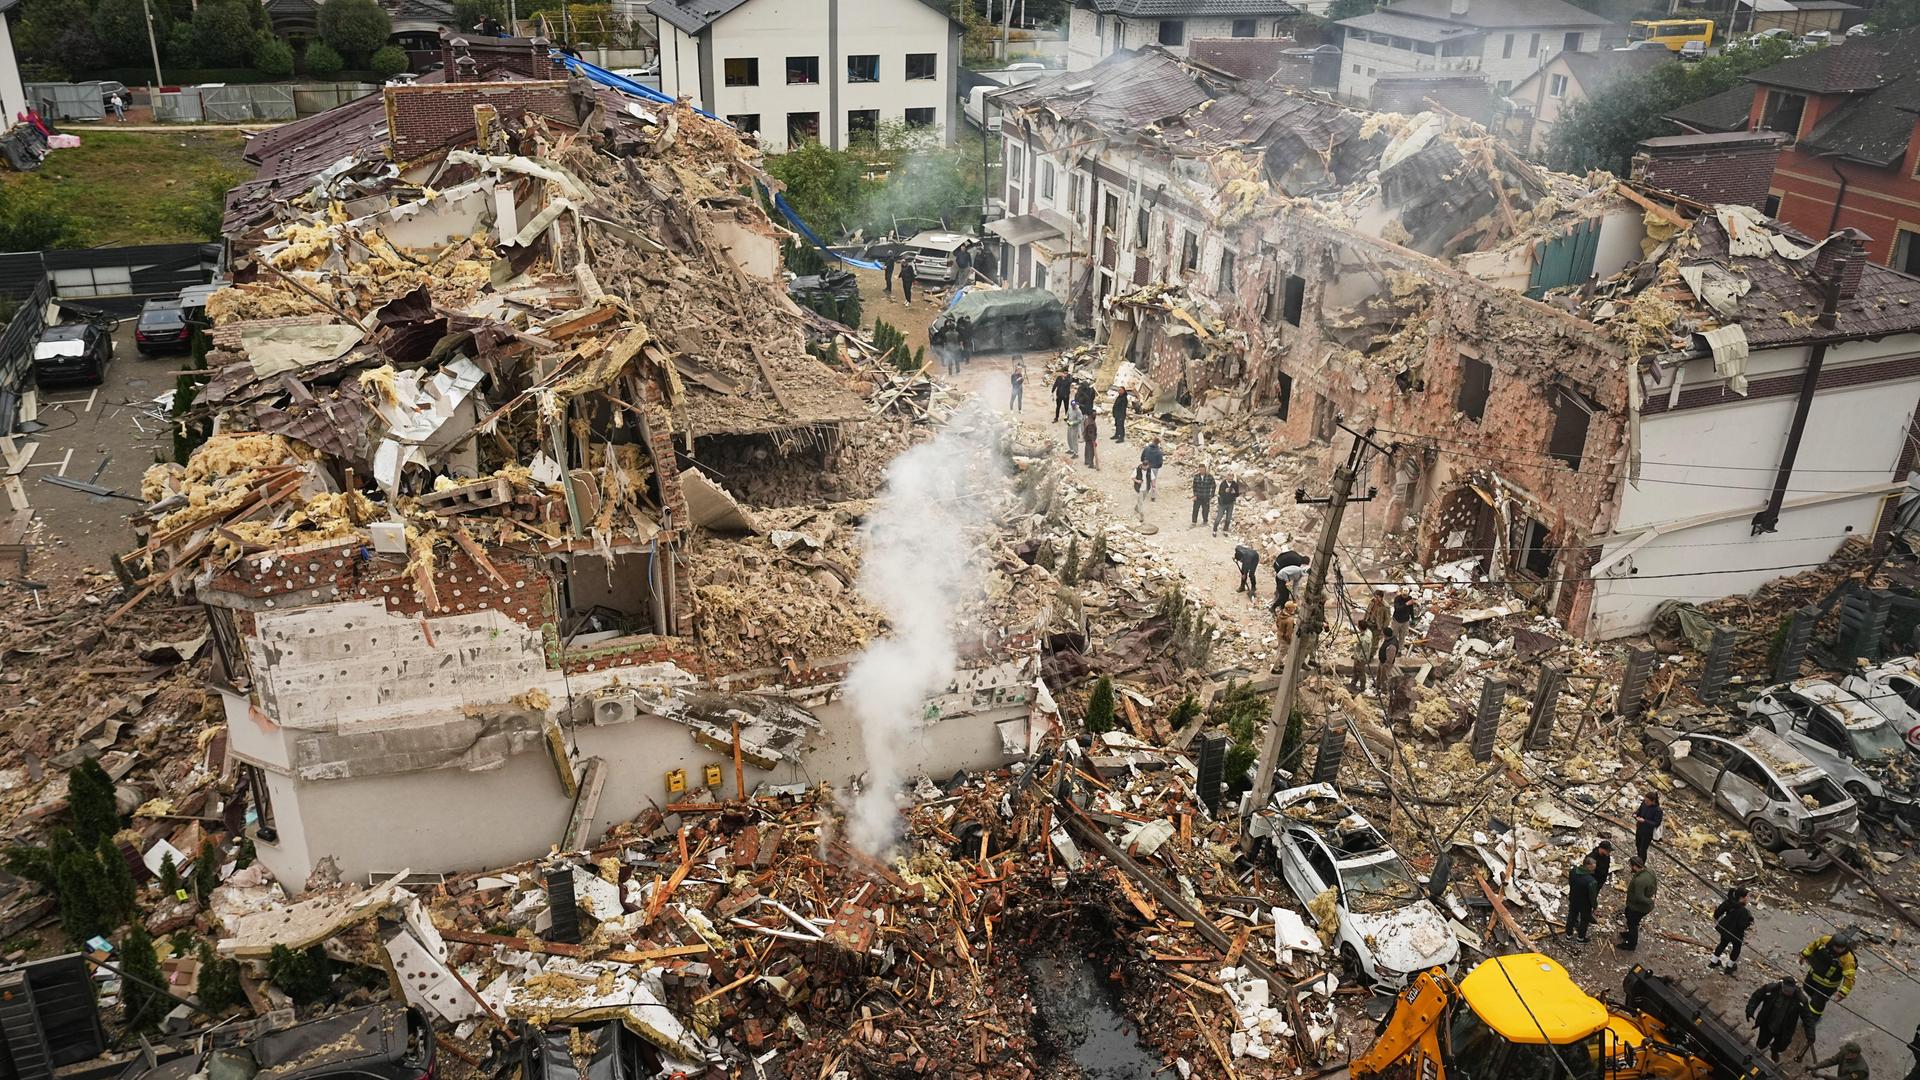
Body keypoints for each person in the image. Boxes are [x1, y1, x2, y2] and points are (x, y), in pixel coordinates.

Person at [1800, 928, 1858, 1031]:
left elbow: (1849, 977)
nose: (1839, 950)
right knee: (1807, 988)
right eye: (1837, 947)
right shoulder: (1825, 940)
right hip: (1814, 975)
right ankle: (1817, 1001)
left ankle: (1813, 1018)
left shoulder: (1848, 959)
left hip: (1828, 985)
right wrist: (1804, 955)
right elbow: (1813, 946)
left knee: (1817, 1003)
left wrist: (1843, 992)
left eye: (1842, 948)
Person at [1746, 979, 1809, 1063]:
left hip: (1784, 1029)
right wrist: (1750, 1009)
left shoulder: (1801, 1000)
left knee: (1781, 1045)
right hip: (1768, 1024)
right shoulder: (1771, 989)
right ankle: (1758, 1051)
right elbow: (1756, 996)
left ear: (1794, 989)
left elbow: (1807, 1017)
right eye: (1785, 990)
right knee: (1762, 1042)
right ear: (1782, 986)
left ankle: (1774, 1051)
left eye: (1789, 991)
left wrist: (1810, 1035)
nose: (1787, 992)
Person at [1710, 887, 1753, 974]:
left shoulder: (1729, 902)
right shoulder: (1744, 911)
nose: (1749, 899)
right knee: (1736, 948)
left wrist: (1718, 919)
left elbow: (1717, 913)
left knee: (1722, 944)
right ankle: (1730, 967)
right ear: (1742, 898)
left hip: (1725, 929)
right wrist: (1749, 923)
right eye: (1748, 896)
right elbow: (1741, 926)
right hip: (1736, 933)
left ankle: (1713, 962)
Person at [1620, 855, 1655, 951]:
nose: (1631, 868)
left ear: (1635, 866)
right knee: (1630, 917)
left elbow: (1639, 897)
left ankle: (1631, 945)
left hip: (1638, 907)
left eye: (1631, 866)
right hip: (1640, 906)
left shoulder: (1639, 881)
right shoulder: (1650, 871)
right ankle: (1629, 935)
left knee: (1632, 924)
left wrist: (1649, 901)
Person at [1566, 856, 1599, 942]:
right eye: (1592, 869)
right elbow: (1592, 897)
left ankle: (1568, 935)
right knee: (1584, 920)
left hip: (1573, 898)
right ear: (1587, 866)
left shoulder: (1573, 871)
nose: (1593, 871)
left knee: (1572, 916)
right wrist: (1595, 906)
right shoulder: (1591, 881)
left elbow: (1570, 883)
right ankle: (1580, 938)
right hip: (1585, 904)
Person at [1634, 793, 1663, 862]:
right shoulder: (1644, 803)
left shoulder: (1658, 810)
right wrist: (1635, 814)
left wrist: (1645, 821)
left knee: (1643, 849)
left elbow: (1656, 823)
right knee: (1638, 845)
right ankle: (1638, 861)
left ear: (1653, 801)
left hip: (1647, 832)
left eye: (1647, 801)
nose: (1645, 802)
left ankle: (1641, 864)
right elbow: (1639, 810)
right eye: (1645, 800)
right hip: (1639, 828)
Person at [1349, 624, 1376, 692]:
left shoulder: (1365, 639)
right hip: (1358, 656)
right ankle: (1353, 683)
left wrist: (1359, 659)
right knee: (1355, 670)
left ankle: (1362, 687)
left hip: (1361, 658)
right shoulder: (1368, 632)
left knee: (1361, 672)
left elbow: (1364, 651)